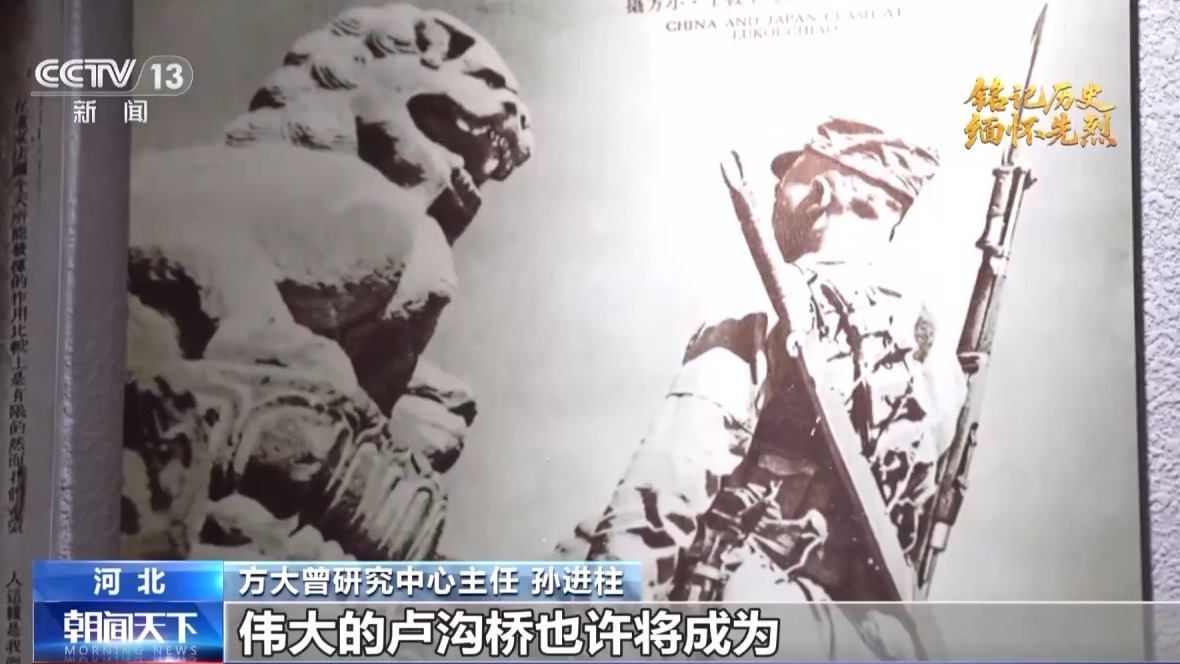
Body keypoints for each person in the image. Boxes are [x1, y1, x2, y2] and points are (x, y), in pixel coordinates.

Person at [563, 118, 965, 659]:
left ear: (820, 195)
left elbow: (670, 480)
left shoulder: (776, 297)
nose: (779, 199)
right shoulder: (940, 367)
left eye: (787, 184)